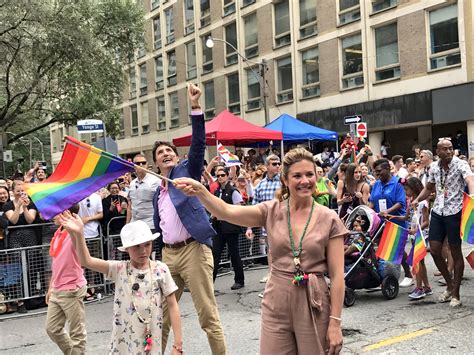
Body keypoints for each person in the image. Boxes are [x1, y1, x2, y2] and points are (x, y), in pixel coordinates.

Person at [174, 148, 347, 354]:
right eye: (297, 176)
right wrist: (200, 191)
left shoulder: (329, 219)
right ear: (285, 179)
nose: (305, 181)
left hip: (313, 301)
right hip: (277, 299)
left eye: (309, 174)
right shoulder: (270, 211)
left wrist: (335, 323)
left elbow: (337, 277)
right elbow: (226, 211)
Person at [152, 83, 226, 354]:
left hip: (193, 251)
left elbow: (197, 144)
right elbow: (160, 228)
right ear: (156, 164)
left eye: (169, 150)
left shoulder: (187, 172)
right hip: (169, 257)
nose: (167, 154)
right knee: (159, 316)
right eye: (161, 153)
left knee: (207, 315)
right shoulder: (157, 194)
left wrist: (195, 107)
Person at [58, 213, 183, 354]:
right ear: (127, 248)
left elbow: (173, 305)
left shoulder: (160, 269)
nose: (143, 251)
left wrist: (178, 344)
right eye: (136, 246)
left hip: (151, 339)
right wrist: (79, 234)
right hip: (123, 342)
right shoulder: (119, 269)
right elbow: (86, 261)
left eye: (147, 244)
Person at [411, 138, 474, 307]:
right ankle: (450, 283)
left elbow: (469, 179)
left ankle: (456, 294)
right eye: (444, 149)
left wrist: (473, 194)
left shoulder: (460, 164)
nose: (448, 152)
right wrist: (417, 199)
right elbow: (429, 188)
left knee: (455, 252)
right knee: (434, 249)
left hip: (455, 211)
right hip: (438, 211)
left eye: (451, 148)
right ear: (437, 152)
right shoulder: (433, 168)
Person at [45, 204, 88, 354]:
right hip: (57, 288)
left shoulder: (74, 232)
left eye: (57, 212)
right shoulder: (58, 232)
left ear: (66, 213)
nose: (53, 215)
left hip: (72, 289)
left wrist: (77, 230)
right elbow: (55, 262)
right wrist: (51, 287)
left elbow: (82, 251)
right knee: (52, 329)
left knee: (77, 333)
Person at [388, 177, 432, 300]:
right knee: (421, 262)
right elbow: (406, 217)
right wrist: (391, 216)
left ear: (414, 189)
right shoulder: (410, 202)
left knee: (416, 261)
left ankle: (419, 288)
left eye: (406, 189)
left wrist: (417, 230)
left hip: (421, 235)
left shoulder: (422, 203)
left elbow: (426, 222)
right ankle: (427, 286)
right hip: (413, 235)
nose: (405, 192)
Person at [369, 159, 410, 287]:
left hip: (396, 221)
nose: (377, 174)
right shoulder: (376, 184)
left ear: (388, 169)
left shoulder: (398, 184)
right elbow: (372, 201)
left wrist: (387, 212)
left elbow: (400, 203)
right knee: (380, 249)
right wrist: (367, 211)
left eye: (380, 171)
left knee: (398, 249)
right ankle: (382, 277)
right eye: (375, 172)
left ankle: (409, 274)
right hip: (379, 223)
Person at [246, 154, 282, 287]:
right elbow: (254, 207)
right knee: (270, 249)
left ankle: (283, 274)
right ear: (267, 166)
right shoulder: (261, 185)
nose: (277, 166)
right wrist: (249, 228)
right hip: (267, 224)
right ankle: (271, 273)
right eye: (274, 164)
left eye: (278, 163)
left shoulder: (284, 182)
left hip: (283, 222)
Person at [4, 181, 38, 313]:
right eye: (18, 191)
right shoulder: (8, 205)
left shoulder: (32, 203)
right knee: (18, 267)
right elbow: (13, 220)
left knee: (32, 265)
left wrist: (25, 207)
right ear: (13, 191)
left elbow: (30, 219)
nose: (20, 193)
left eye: (23, 191)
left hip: (30, 235)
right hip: (15, 237)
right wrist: (18, 206)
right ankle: (20, 301)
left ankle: (31, 297)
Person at [211, 166, 245, 290]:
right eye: (218, 176)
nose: (220, 178)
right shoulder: (216, 192)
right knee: (215, 254)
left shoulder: (233, 191)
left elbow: (239, 208)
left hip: (231, 227)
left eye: (222, 175)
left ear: (227, 176)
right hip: (218, 228)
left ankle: (239, 280)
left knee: (234, 254)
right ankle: (210, 283)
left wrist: (226, 214)